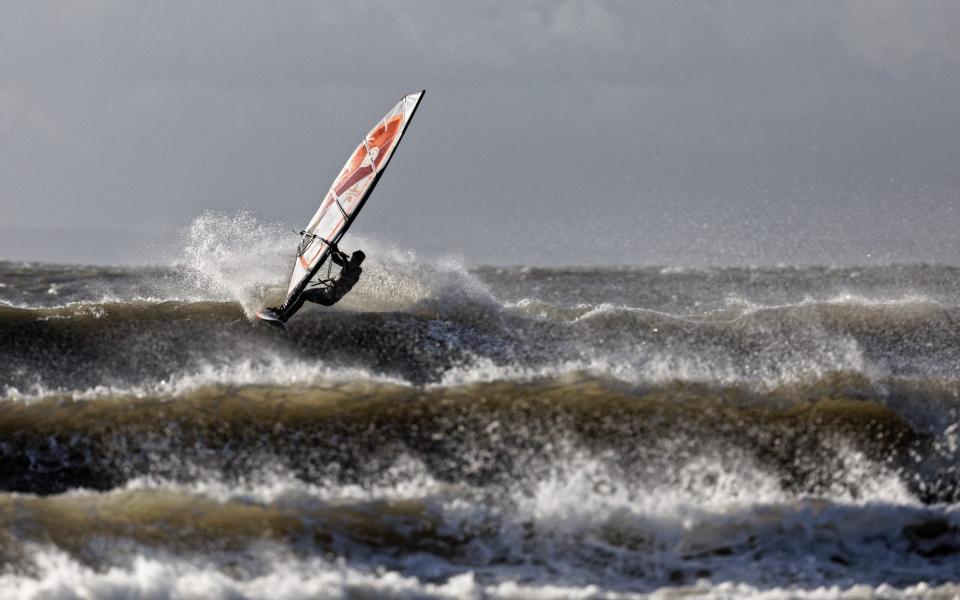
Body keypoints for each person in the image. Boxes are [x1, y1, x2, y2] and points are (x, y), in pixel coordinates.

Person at [258, 246, 365, 327]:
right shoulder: (351, 266)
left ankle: (284, 315)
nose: (351, 260)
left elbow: (346, 271)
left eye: (354, 259)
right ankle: (282, 313)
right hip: (328, 295)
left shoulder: (354, 273)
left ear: (358, 262)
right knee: (303, 295)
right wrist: (333, 250)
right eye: (351, 258)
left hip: (328, 296)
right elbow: (336, 260)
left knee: (303, 295)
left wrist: (344, 259)